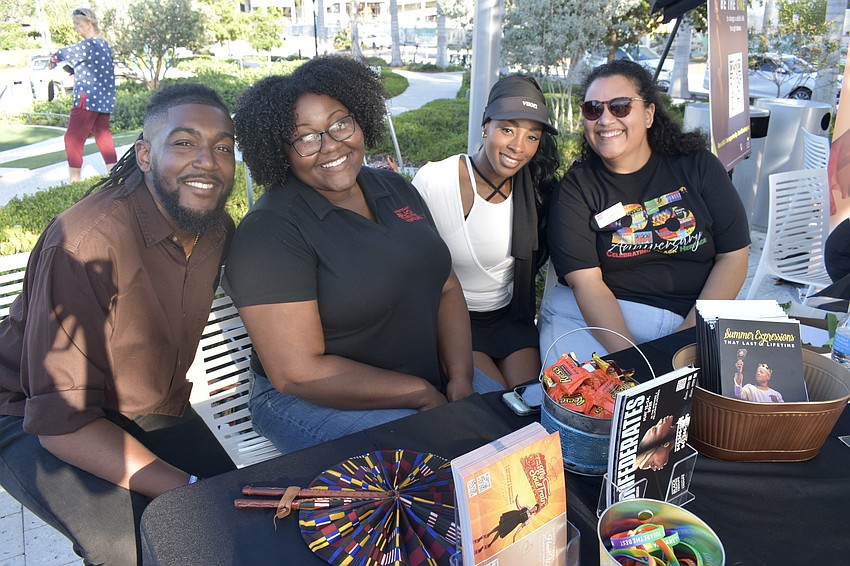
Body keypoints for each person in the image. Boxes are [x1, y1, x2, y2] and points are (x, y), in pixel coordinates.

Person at [0, 83, 238, 565]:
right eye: (185, 142)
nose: (207, 161)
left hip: (146, 402)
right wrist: (185, 488)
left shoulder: (215, 229)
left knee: (239, 513)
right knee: (131, 546)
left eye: (223, 147)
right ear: (145, 155)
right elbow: (61, 425)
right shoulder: (87, 243)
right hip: (31, 411)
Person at [224, 56, 503, 456]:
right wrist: (423, 395)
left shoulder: (393, 187)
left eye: (340, 123)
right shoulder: (271, 231)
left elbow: (445, 286)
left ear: (361, 119)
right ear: (279, 150)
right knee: (444, 464)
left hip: (422, 376)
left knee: (516, 427)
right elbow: (298, 374)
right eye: (306, 137)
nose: (331, 146)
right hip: (307, 402)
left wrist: (460, 378)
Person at [538, 60, 751, 364]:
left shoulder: (697, 166)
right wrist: (633, 359)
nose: (605, 119)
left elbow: (733, 257)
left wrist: (685, 342)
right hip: (603, 324)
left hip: (695, 318)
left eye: (621, 106)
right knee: (594, 405)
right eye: (593, 108)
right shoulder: (577, 187)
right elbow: (586, 283)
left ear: (649, 114)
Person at [413, 75, 560, 388]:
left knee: (533, 400)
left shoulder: (536, 190)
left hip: (510, 318)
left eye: (532, 137)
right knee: (497, 404)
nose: (518, 147)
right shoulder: (437, 182)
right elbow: (407, 266)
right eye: (507, 129)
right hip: (454, 321)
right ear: (486, 126)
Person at [50, 7, 117, 183]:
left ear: (89, 23)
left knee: (72, 138)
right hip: (103, 101)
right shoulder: (103, 45)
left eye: (77, 24)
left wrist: (52, 60)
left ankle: (74, 181)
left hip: (86, 100)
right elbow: (99, 69)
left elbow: (61, 54)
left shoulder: (88, 45)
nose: (75, 27)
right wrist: (75, 70)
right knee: (103, 137)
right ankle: (115, 174)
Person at [474, 495, 539, 553]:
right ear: (533, 506)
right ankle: (488, 535)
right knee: (499, 527)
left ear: (535, 512)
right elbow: (519, 507)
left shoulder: (529, 519)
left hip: (513, 523)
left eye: (535, 510)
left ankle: (490, 543)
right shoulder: (527, 507)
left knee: (499, 532)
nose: (533, 510)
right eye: (534, 508)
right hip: (512, 516)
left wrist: (515, 535)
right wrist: (516, 500)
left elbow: (521, 527)